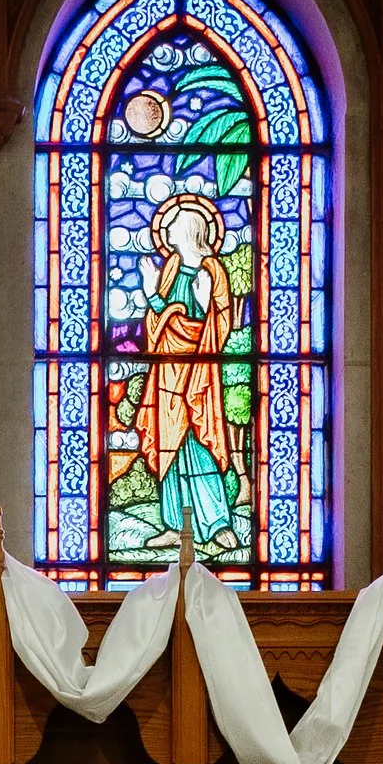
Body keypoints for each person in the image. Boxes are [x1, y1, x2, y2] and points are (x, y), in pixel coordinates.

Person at [130, 188, 241, 551]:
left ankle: (217, 523)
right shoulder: (172, 267)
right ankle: (175, 525)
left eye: (176, 225)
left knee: (200, 443)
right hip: (166, 371)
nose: (169, 231)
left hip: (198, 374)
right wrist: (153, 295)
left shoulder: (212, 271)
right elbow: (159, 321)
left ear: (191, 230)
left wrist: (203, 304)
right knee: (169, 447)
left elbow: (211, 326)